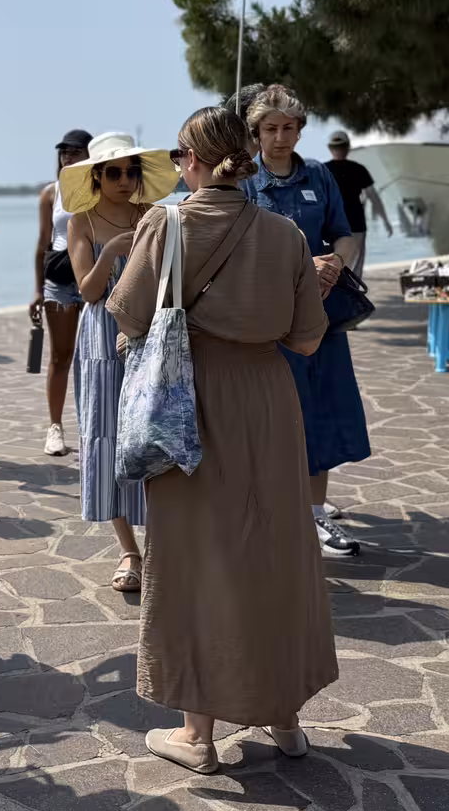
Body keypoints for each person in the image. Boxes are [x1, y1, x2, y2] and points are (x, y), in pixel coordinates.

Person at [108, 106, 334, 773]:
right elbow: (307, 337)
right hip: (267, 398)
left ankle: (197, 732)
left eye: (179, 156)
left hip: (190, 399)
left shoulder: (166, 222)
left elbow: (127, 310)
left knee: (191, 559)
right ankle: (284, 716)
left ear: (194, 160)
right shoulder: (286, 234)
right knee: (273, 550)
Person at [244, 87, 373, 558]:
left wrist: (335, 265)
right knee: (272, 419)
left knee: (320, 413)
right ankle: (271, 519)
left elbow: (342, 233)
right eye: (270, 128)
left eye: (289, 127)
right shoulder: (243, 181)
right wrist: (296, 270)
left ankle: (316, 517)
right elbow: (235, 249)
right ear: (255, 132)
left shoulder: (319, 174)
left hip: (319, 318)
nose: (280, 137)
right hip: (266, 322)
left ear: (301, 128)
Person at [62, 132, 178, 593]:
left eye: (132, 171)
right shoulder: (81, 222)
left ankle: (165, 543)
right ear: (96, 176)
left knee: (158, 432)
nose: (125, 179)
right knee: (104, 436)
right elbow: (87, 291)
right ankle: (129, 549)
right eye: (114, 172)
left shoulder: (154, 216)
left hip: (149, 333)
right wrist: (112, 249)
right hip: (101, 335)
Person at [30, 129, 91, 457]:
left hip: (92, 278)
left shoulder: (99, 188)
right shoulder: (50, 194)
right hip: (59, 281)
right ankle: (55, 427)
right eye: (64, 151)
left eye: (75, 151)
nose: (68, 156)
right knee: (60, 355)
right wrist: (37, 290)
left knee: (93, 356)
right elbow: (42, 243)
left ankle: (90, 424)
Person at [325, 130, 391, 278]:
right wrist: (385, 220)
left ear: (330, 148)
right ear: (348, 147)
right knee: (355, 270)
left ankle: (335, 298)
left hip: (331, 227)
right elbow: (373, 196)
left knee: (332, 268)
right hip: (356, 225)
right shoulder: (358, 169)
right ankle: (352, 299)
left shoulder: (322, 170)